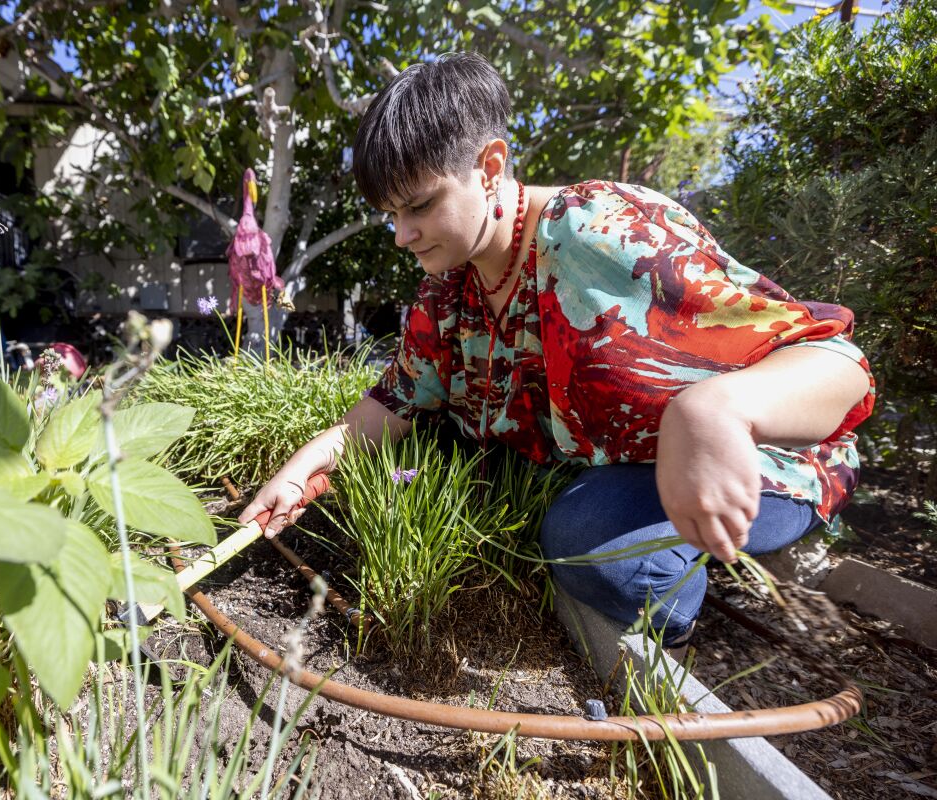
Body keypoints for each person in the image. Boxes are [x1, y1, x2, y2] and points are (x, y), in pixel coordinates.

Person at [238, 52, 873, 651]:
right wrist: (302, 467)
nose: (402, 235)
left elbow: (836, 363)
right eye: (390, 214)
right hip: (625, 469)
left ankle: (687, 597)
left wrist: (713, 411)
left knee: (581, 538)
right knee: (450, 459)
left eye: (420, 206)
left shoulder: (596, 231)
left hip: (764, 466)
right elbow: (393, 405)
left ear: (490, 167)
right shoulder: (450, 287)